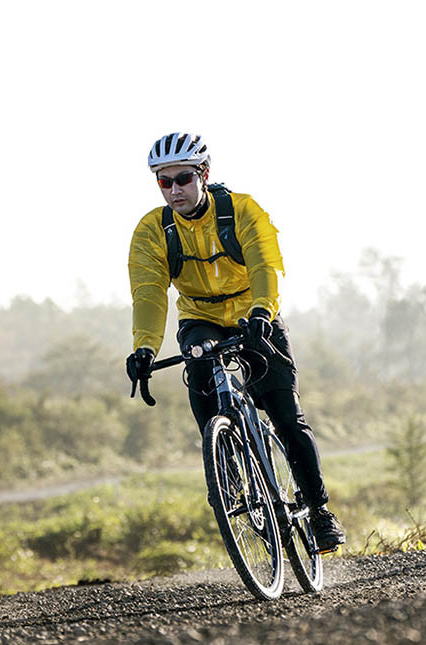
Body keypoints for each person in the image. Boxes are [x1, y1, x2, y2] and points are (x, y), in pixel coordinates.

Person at [124, 132, 345, 554]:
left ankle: (318, 510)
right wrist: (145, 349)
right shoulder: (152, 231)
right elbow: (149, 293)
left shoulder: (242, 211)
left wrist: (263, 311)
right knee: (204, 390)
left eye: (183, 179)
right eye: (163, 182)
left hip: (253, 314)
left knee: (286, 414)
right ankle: (225, 474)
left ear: (204, 174)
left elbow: (266, 264)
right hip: (200, 318)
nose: (174, 190)